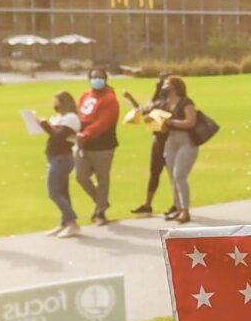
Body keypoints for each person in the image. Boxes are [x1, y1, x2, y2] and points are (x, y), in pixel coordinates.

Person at [73, 68, 119, 224]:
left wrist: (85, 134)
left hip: (103, 145)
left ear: (105, 79)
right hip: (84, 144)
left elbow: (104, 122)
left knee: (102, 177)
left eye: (100, 77)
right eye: (94, 77)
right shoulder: (85, 96)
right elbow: (78, 114)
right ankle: (101, 201)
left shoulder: (110, 99)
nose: (97, 80)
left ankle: (100, 212)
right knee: (81, 176)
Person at [126, 74, 176, 215]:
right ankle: (148, 204)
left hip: (169, 139)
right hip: (158, 139)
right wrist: (130, 99)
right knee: (155, 173)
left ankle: (177, 203)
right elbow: (143, 111)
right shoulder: (157, 100)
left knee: (173, 174)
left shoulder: (172, 101)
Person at [157, 76, 204, 223]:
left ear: (175, 87)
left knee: (179, 175)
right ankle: (177, 208)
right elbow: (164, 127)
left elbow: (190, 122)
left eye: (167, 85)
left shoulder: (186, 103)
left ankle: (185, 210)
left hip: (186, 142)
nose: (164, 87)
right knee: (172, 176)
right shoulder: (165, 104)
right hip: (171, 141)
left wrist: (171, 122)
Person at [38, 90, 82, 236]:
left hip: (62, 159)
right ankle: (65, 223)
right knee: (63, 192)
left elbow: (58, 137)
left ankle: (72, 222)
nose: (54, 105)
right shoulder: (58, 118)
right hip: (55, 158)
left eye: (56, 102)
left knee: (53, 192)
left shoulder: (71, 118)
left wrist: (44, 124)